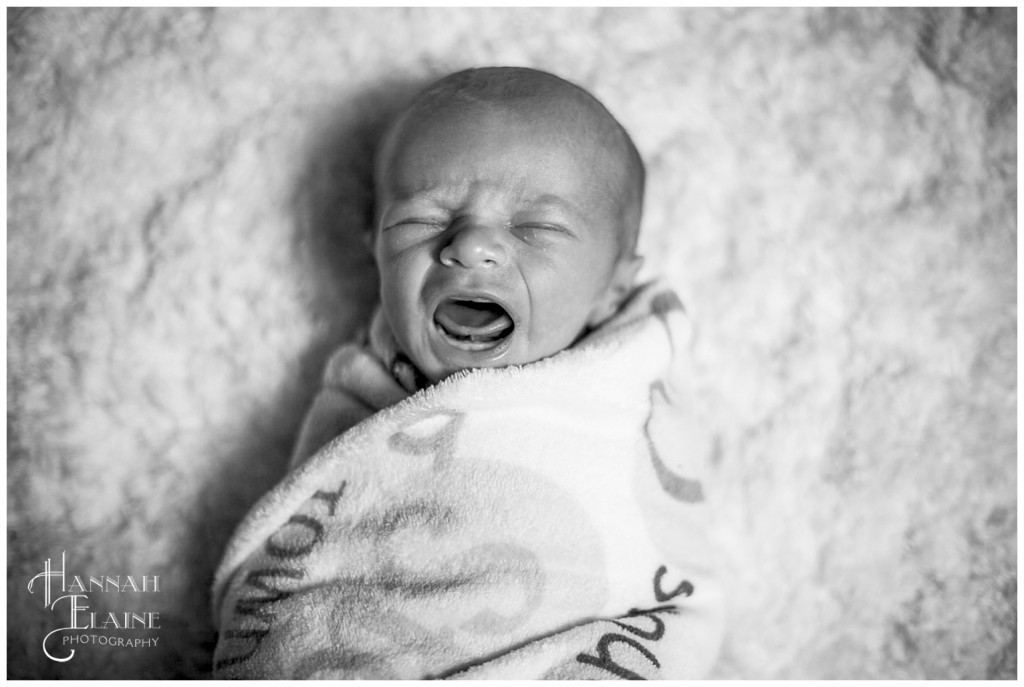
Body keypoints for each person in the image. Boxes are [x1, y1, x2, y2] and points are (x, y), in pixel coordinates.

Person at [212, 66, 722, 679]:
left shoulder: (625, 386)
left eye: (536, 228)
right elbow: (323, 557)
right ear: (374, 248)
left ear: (613, 288)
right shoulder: (366, 386)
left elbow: (661, 564)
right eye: (424, 219)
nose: (472, 245)